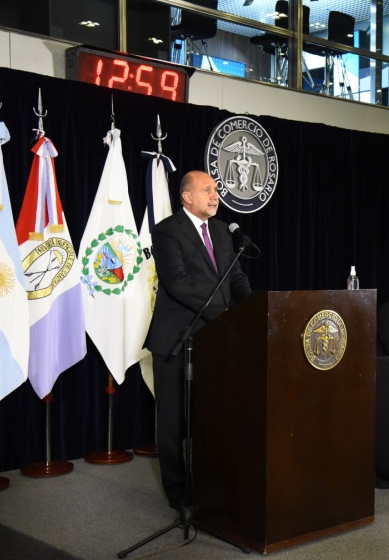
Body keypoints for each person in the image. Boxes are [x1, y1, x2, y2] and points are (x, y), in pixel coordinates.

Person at [146, 170, 252, 515]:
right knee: (173, 422)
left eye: (216, 189)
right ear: (186, 197)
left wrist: (250, 310)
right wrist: (225, 312)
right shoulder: (166, 231)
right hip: (176, 339)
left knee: (212, 417)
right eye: (207, 190)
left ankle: (210, 485)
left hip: (214, 339)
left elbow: (235, 277)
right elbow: (177, 283)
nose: (215, 195)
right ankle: (178, 494)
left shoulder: (221, 231)